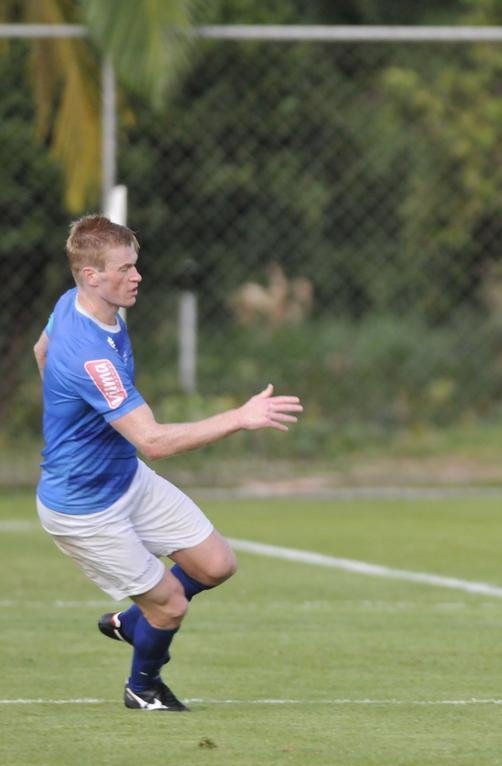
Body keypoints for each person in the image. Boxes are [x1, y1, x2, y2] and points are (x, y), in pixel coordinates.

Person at [34, 215, 304, 711]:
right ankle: (144, 686)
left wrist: (67, 415)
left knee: (216, 563)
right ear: (92, 275)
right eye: (125, 269)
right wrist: (241, 417)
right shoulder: (92, 357)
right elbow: (153, 441)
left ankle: (133, 624)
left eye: (136, 266)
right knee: (171, 604)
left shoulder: (73, 304)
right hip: (85, 508)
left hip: (123, 478)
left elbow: (41, 349)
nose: (137, 277)